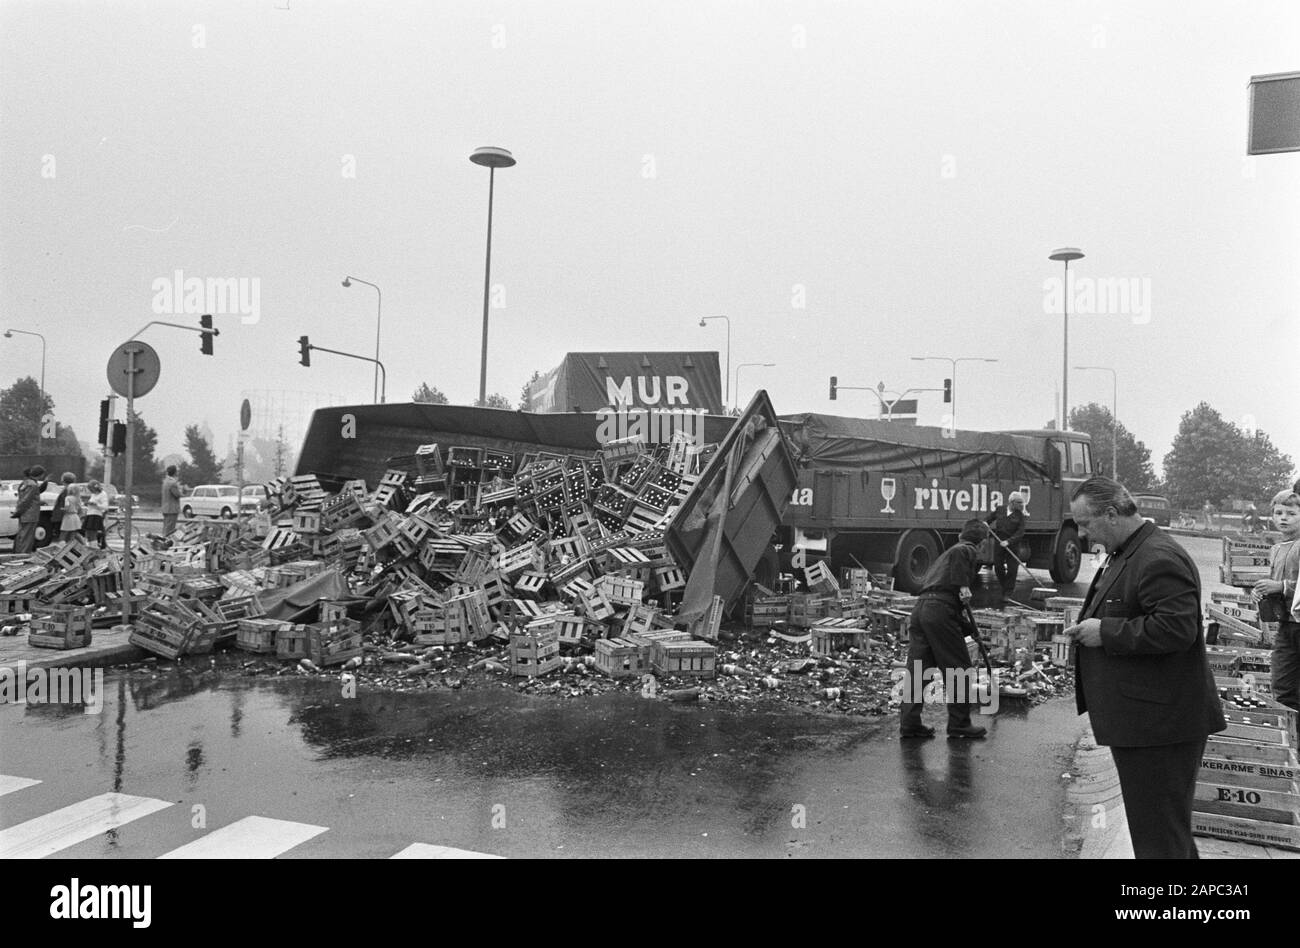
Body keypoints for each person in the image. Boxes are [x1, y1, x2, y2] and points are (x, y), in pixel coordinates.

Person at [1064, 476, 1225, 859]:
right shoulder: (1129, 551)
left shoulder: (1157, 557)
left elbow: (1177, 629)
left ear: (1112, 513)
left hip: (1160, 726)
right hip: (1146, 721)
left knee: (1158, 839)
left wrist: (1105, 631)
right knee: (1164, 834)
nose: (1083, 535)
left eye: (1086, 523)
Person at [898, 519, 990, 740]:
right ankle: (960, 725)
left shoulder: (944, 557)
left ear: (961, 534)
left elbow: (948, 606)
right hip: (939, 610)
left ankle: (909, 724)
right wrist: (963, 585)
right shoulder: (965, 550)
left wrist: (970, 630)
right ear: (982, 541)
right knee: (959, 669)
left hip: (921, 610)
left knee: (919, 670)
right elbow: (948, 602)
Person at [1253, 490, 1299, 711]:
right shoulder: (1276, 549)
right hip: (1286, 625)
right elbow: (1275, 583)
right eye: (1278, 512)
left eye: (1291, 513)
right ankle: (1291, 738)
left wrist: (1280, 586)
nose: (1283, 518)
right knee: (1282, 683)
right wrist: (1263, 592)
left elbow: (1286, 584)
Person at [985, 491, 1028, 599]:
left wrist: (1009, 541)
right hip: (999, 541)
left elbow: (1020, 532)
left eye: (1022, 503)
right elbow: (989, 519)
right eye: (1019, 503)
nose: (1022, 505)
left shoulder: (1020, 516)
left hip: (1012, 544)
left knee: (1012, 569)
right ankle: (1005, 586)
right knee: (998, 567)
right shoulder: (1000, 510)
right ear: (1012, 502)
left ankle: (1008, 593)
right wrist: (985, 523)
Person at [11, 466, 45, 554]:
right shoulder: (33, 485)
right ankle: (23, 555)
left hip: (24, 514)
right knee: (27, 537)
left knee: (21, 535)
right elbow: (26, 500)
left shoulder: (24, 483)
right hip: (31, 514)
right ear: (40, 475)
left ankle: (17, 554)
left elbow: (24, 499)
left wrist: (18, 512)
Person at [57, 474, 83, 542]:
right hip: (75, 517)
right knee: (73, 535)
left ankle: (61, 548)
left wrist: (62, 510)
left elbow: (67, 507)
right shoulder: (77, 498)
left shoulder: (67, 497)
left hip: (67, 517)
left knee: (63, 534)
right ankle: (82, 547)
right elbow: (80, 509)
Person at [83, 480, 108, 549]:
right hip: (90, 513)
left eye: (91, 489)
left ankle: (94, 547)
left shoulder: (103, 494)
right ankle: (90, 546)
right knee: (88, 531)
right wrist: (87, 504)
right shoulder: (93, 494)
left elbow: (105, 506)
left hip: (96, 514)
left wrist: (96, 504)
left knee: (93, 532)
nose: (90, 491)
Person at [161, 465, 182, 536]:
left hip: (166, 508)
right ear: (175, 472)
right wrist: (182, 491)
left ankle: (163, 540)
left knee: (166, 527)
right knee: (170, 530)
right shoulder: (172, 483)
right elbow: (177, 494)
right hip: (172, 509)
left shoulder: (165, 481)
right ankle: (165, 543)